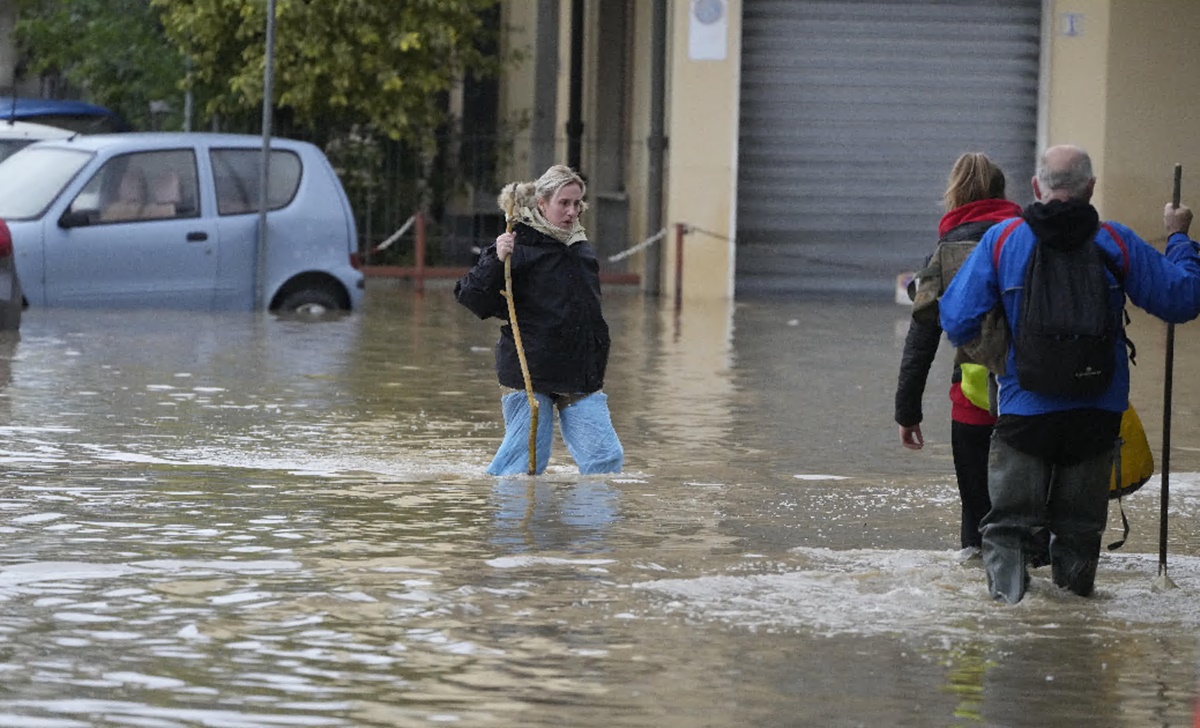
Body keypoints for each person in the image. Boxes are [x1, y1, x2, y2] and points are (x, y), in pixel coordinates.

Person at [939, 144, 1200, 603]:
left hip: (1024, 411)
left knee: (1009, 530)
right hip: (1096, 413)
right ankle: (1074, 631)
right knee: (1079, 530)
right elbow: (1181, 300)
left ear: (1037, 188)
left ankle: (1011, 622)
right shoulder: (1115, 241)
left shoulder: (1004, 241)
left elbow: (956, 319)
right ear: (1091, 188)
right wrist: (1178, 237)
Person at [455, 164, 623, 476]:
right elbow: (471, 296)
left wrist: (598, 354)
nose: (572, 212)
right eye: (564, 203)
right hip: (529, 370)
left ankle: (592, 525)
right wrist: (496, 259)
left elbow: (590, 309)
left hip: (580, 369)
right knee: (523, 467)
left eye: (577, 204)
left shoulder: (580, 247)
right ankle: (512, 521)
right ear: (542, 203)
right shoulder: (515, 243)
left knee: (606, 459)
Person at [895, 152, 1023, 560]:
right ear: (1003, 193)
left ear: (954, 197)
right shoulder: (1028, 239)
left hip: (972, 401)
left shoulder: (946, 251)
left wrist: (907, 411)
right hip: (1032, 398)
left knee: (976, 519)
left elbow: (922, 336)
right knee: (1031, 515)